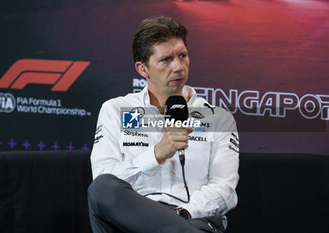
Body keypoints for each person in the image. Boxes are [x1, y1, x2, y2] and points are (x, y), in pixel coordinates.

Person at [88, 16, 239, 233]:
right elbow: (104, 180)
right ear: (143, 69)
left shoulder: (218, 118)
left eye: (183, 56)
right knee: (102, 187)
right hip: (129, 221)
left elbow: (224, 190)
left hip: (192, 219)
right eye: (166, 60)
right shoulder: (115, 110)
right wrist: (155, 154)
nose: (178, 67)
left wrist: (181, 214)